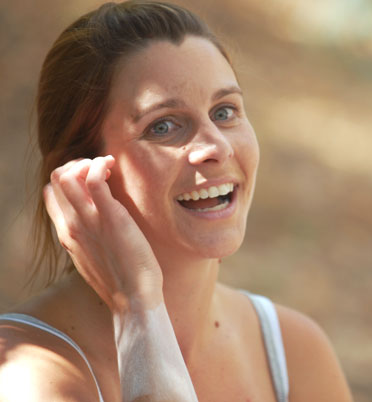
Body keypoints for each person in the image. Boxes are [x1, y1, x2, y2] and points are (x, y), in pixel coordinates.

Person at [0, 1, 353, 401]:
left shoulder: (295, 351)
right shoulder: (32, 375)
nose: (216, 147)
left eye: (224, 112)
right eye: (163, 126)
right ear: (80, 174)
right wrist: (138, 310)